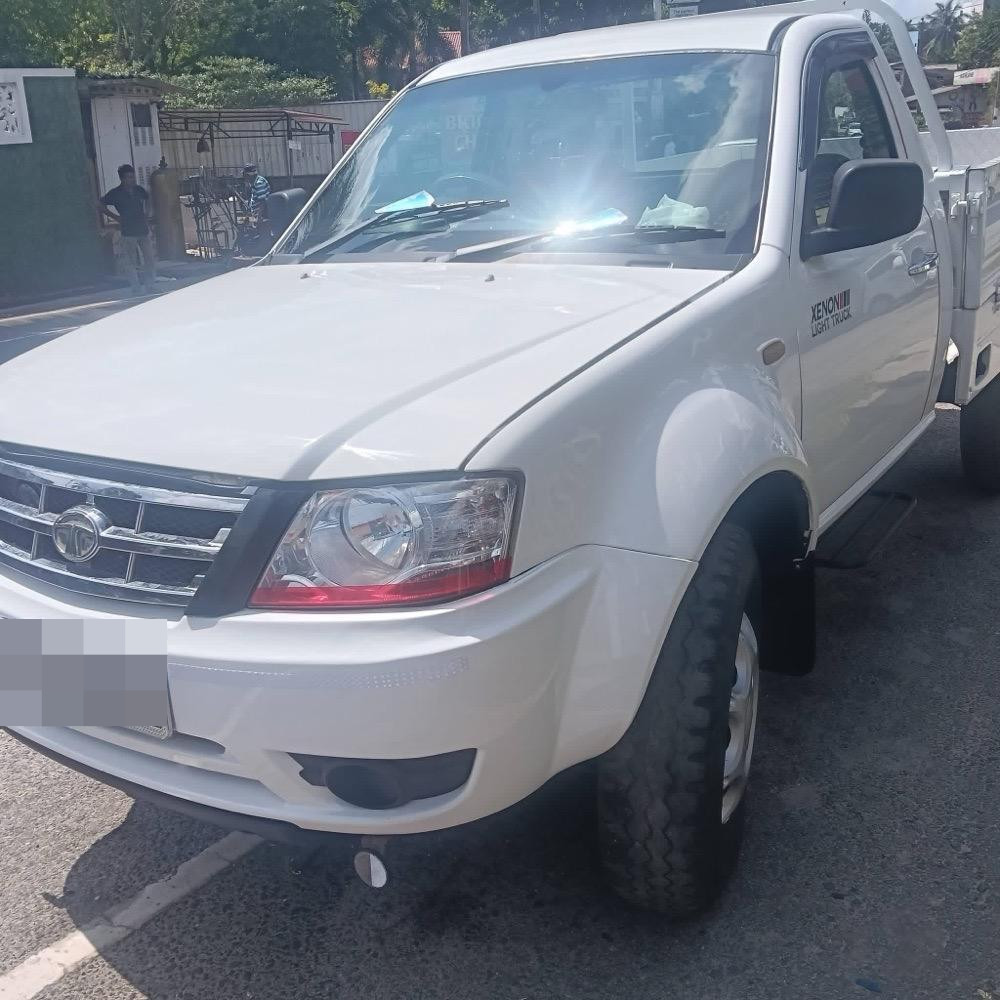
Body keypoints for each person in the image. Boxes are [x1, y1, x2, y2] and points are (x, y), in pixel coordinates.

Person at [100, 164, 156, 295]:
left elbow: (148, 198)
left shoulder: (138, 190)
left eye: (132, 176)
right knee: (130, 262)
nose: (131, 179)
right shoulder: (116, 193)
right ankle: (136, 287)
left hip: (142, 229)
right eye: (128, 177)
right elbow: (100, 204)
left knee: (149, 259)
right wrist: (114, 217)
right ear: (122, 179)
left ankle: (150, 285)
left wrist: (147, 213)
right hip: (128, 231)